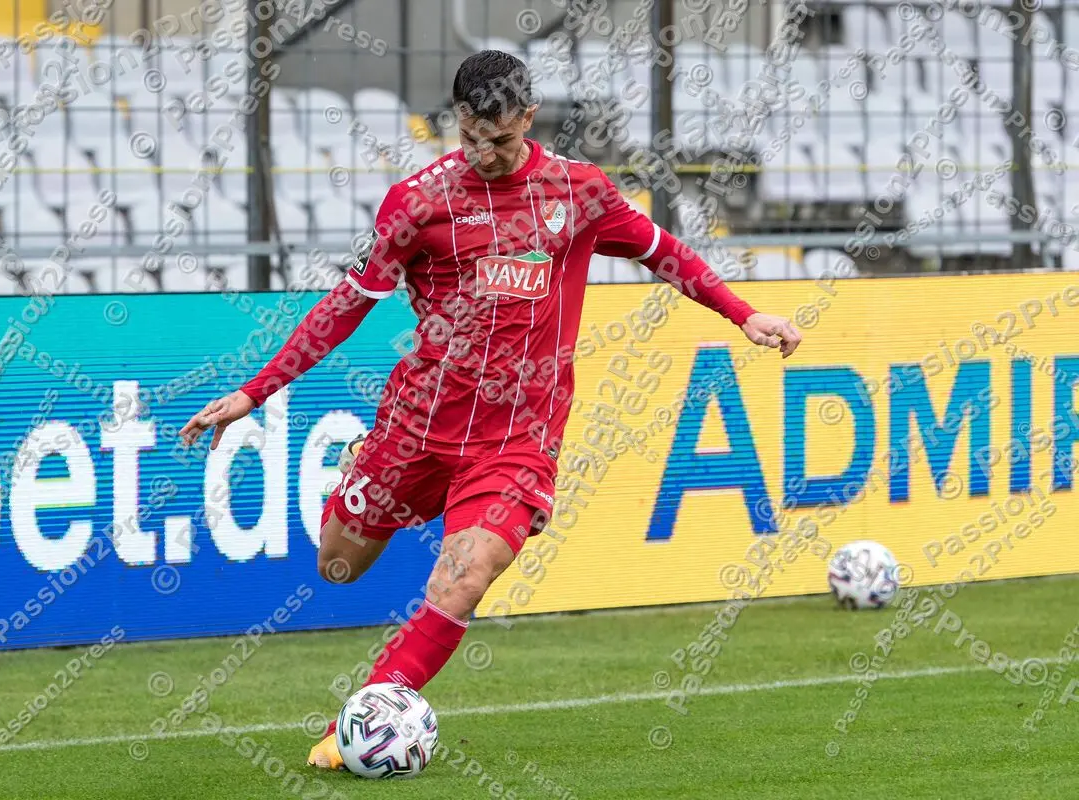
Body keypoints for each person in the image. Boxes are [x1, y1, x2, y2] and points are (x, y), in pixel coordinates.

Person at [179, 50, 802, 769]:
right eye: (473, 137)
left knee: (465, 575)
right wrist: (255, 391)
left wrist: (742, 313)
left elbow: (666, 254)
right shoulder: (417, 202)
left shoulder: (580, 193)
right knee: (338, 565)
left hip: (516, 440)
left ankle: (362, 721)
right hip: (418, 425)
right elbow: (346, 306)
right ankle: (355, 470)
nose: (486, 153)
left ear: (529, 120)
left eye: (501, 141)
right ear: (460, 121)